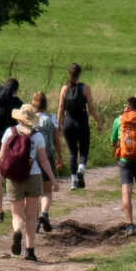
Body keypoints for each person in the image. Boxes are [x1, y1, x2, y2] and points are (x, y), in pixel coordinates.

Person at [0, 104, 56, 260]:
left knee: (17, 214)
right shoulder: (37, 136)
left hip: (14, 178)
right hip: (33, 177)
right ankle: (30, 251)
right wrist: (53, 179)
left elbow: (0, 156)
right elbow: (43, 159)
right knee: (32, 216)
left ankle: (17, 231)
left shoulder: (9, 132)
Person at [107, 93, 136, 233]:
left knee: (126, 191)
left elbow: (113, 141)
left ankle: (129, 225)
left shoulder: (119, 120)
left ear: (127, 107)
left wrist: (116, 148)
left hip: (125, 159)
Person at [28, 92, 63, 233]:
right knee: (47, 191)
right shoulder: (52, 118)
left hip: (31, 158)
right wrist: (60, 156)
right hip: (47, 156)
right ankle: (44, 213)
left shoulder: (30, 118)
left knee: (34, 192)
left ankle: (35, 221)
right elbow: (56, 140)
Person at [58, 62, 94, 190]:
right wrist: (99, 121)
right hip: (82, 122)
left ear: (69, 73)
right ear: (80, 73)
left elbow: (61, 107)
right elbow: (91, 108)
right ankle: (81, 169)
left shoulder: (64, 89)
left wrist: (58, 123)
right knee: (84, 150)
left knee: (73, 152)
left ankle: (73, 181)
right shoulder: (85, 88)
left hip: (68, 122)